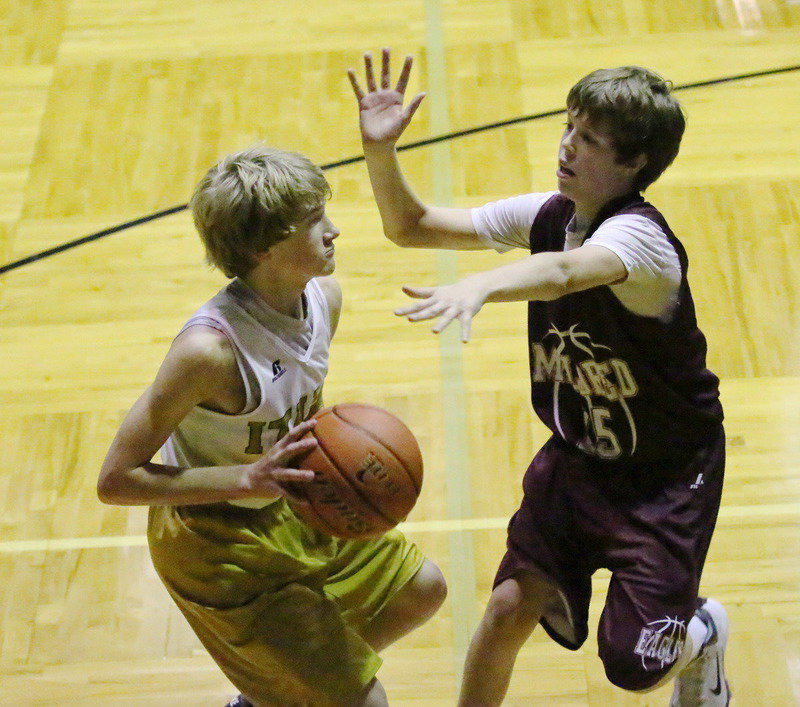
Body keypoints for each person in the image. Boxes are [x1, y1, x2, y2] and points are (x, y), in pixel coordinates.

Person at [348, 48, 730, 706]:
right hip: (579, 460)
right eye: (568, 127)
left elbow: (561, 273)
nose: (568, 146)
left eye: (590, 139)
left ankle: (704, 632)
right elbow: (409, 226)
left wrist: (480, 286)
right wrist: (380, 153)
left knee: (633, 665)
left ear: (634, 162)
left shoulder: (641, 241)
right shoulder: (551, 214)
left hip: (665, 476)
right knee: (504, 610)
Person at [98, 145, 447, 706]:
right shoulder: (208, 353)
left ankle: (273, 698)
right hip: (216, 541)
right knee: (364, 700)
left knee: (422, 591)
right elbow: (114, 481)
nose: (334, 232)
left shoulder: (324, 299)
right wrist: (247, 479)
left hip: (294, 505)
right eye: (314, 223)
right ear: (263, 247)